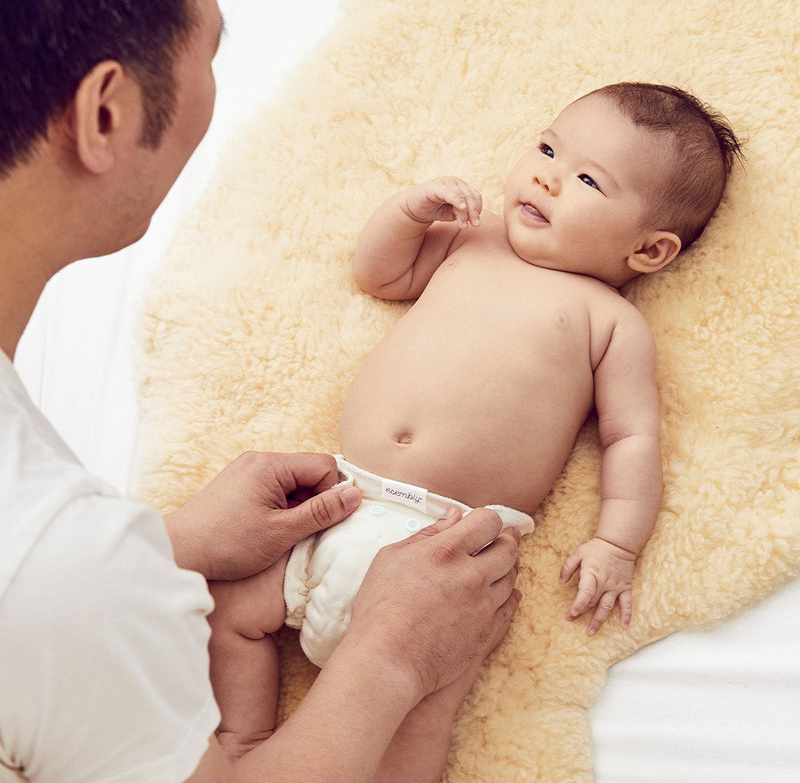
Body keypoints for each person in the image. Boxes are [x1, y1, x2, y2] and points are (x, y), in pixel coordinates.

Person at [0, 0, 523, 782]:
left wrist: (161, 548)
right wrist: (390, 661)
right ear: (106, 115)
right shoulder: (59, 569)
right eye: (213, 52)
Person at [209, 82, 743, 774]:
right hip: (336, 504)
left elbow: (631, 439)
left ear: (649, 251)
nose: (547, 173)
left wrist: (617, 542)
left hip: (445, 543)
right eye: (548, 146)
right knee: (230, 607)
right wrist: (406, 213)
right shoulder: (471, 241)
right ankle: (244, 744)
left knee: (429, 702)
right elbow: (379, 275)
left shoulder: (609, 323)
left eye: (585, 179)